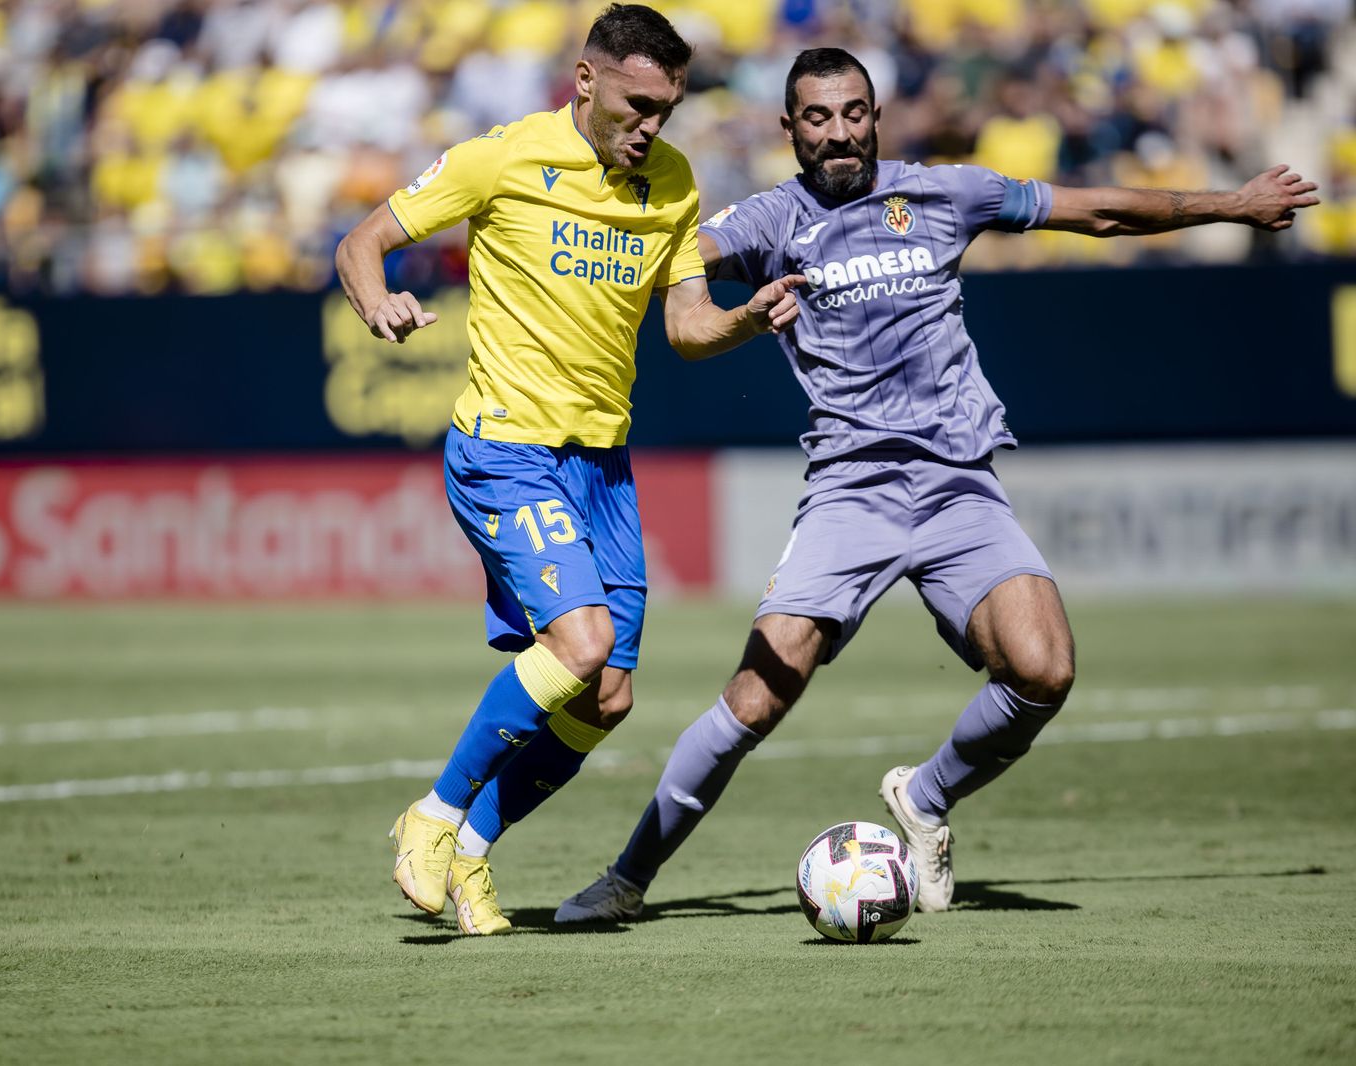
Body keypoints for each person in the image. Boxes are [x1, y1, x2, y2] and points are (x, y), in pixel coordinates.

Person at [555, 47, 1319, 923]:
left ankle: (924, 798)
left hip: (959, 485)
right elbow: (675, 268)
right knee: (757, 696)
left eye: (854, 114)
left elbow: (1098, 211)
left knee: (1044, 670)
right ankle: (627, 879)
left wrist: (1234, 204)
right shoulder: (769, 219)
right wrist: (686, 291)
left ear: (877, 117)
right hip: (852, 489)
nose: (838, 133)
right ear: (789, 129)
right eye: (818, 118)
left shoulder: (946, 194)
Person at [333, 5, 804, 935]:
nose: (651, 126)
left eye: (666, 109)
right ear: (585, 81)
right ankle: (433, 816)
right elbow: (361, 243)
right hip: (505, 449)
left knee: (607, 697)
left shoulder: (672, 182)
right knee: (581, 643)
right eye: (638, 105)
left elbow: (685, 325)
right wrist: (378, 302)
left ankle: (472, 851)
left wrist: (745, 320)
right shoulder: (501, 157)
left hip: (603, 469)